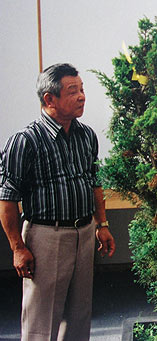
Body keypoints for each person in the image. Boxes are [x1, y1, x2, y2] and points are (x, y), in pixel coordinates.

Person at [0, 63, 116, 341]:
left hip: (85, 234)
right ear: (49, 99)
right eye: (72, 91)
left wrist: (102, 224)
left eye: (82, 89)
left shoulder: (86, 135)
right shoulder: (25, 141)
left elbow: (94, 183)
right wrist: (17, 248)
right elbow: (6, 199)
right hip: (46, 237)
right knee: (42, 320)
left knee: (79, 316)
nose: (82, 96)